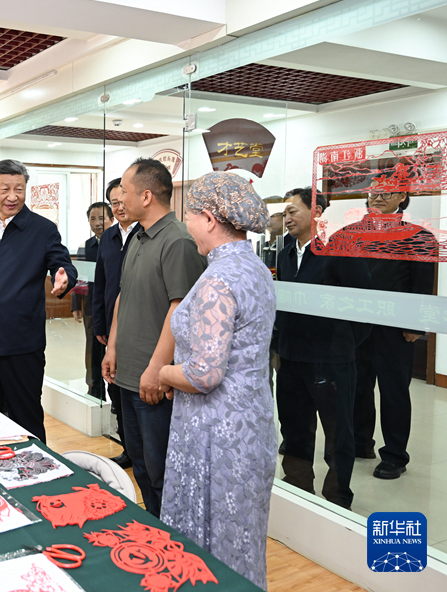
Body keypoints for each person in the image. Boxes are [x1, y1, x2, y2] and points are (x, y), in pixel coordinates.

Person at [157, 172, 277, 590]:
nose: (186, 224)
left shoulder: (218, 280)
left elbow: (204, 374)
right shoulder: (256, 269)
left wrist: (164, 372)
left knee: (212, 543)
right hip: (250, 423)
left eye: (189, 213)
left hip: (216, 434)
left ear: (208, 218)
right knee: (240, 538)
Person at [102, 158, 205, 517]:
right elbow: (122, 295)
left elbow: (181, 309)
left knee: (163, 471)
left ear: (145, 196)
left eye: (125, 193)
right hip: (127, 373)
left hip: (154, 379)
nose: (119, 199)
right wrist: (112, 346)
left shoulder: (177, 241)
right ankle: (153, 531)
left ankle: (174, 543)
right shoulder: (137, 237)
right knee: (142, 465)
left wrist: (156, 367)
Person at [0, 159, 76, 443]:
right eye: (5, 189)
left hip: (22, 342)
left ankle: (36, 474)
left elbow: (62, 263)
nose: (12, 196)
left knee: (26, 415)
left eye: (19, 189)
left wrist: (63, 276)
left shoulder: (42, 229)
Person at [276, 187, 371, 509]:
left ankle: (337, 498)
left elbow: (363, 307)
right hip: (291, 358)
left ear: (316, 213)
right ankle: (299, 487)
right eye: (285, 213)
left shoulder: (342, 249)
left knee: (337, 432)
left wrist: (341, 345)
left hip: (331, 360)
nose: (286, 218)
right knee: (294, 428)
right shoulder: (286, 251)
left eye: (293, 211)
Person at [349, 190, 435, 478]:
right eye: (375, 191)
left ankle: (395, 455)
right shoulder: (353, 233)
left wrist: (415, 324)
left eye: (389, 192)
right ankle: (361, 443)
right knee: (358, 387)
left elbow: (423, 284)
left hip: (395, 327)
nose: (378, 196)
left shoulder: (418, 236)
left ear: (403, 198)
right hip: (358, 323)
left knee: (393, 391)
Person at [93, 178, 142, 468]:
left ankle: (143, 452)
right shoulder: (108, 238)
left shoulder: (145, 234)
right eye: (114, 202)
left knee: (135, 390)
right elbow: (101, 284)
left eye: (123, 200)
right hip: (110, 330)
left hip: (138, 328)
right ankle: (128, 447)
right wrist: (99, 324)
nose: (120, 206)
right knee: (115, 389)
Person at [71, 201, 113, 400]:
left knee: (113, 347)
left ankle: (114, 391)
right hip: (90, 305)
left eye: (101, 218)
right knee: (92, 348)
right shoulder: (86, 246)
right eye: (92, 219)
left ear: (111, 219)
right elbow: (79, 277)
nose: (97, 223)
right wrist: (75, 305)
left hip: (112, 304)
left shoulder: (117, 242)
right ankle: (94, 389)